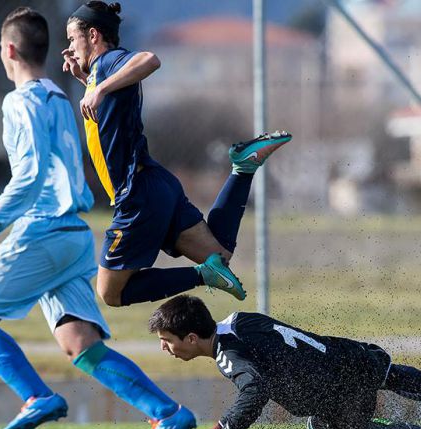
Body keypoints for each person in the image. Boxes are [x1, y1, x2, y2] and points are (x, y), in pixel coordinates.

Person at [0, 7, 195, 429]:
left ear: (8, 49)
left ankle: (36, 396)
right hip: (73, 237)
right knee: (81, 345)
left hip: (42, 233)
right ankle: (169, 413)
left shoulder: (19, 101)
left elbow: (30, 175)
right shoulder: (58, 97)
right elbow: (49, 169)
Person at [62, 1, 291, 308]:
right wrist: (85, 80)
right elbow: (110, 110)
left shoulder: (110, 62)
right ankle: (242, 168)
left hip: (138, 196)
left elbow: (149, 59)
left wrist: (98, 88)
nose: (70, 48)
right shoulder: (100, 74)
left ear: (92, 36)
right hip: (157, 185)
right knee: (218, 254)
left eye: (72, 39)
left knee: (111, 293)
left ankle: (202, 275)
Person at [148, 295, 421, 429]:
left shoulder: (228, 355)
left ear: (193, 338)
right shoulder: (241, 320)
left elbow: (255, 389)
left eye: (168, 340)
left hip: (336, 396)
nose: (165, 348)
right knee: (396, 376)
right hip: (348, 355)